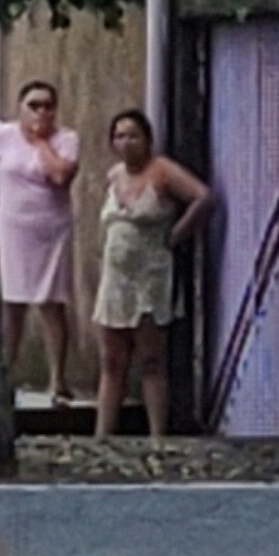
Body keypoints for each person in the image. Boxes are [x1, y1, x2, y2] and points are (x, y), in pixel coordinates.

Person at [91, 110, 210, 442]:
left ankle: (158, 435)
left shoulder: (162, 171)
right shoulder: (114, 175)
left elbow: (203, 197)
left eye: (133, 136)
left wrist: (176, 234)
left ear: (147, 139)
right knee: (112, 359)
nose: (126, 143)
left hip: (150, 275)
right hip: (115, 278)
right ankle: (102, 434)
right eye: (119, 136)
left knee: (151, 359)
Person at [0, 79, 81, 407]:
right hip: (12, 228)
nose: (41, 111)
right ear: (20, 108)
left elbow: (60, 176)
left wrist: (42, 142)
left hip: (50, 231)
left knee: (50, 302)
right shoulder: (2, 135)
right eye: (34, 105)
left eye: (47, 105)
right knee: (10, 304)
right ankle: (4, 375)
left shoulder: (66, 139)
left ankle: (57, 380)